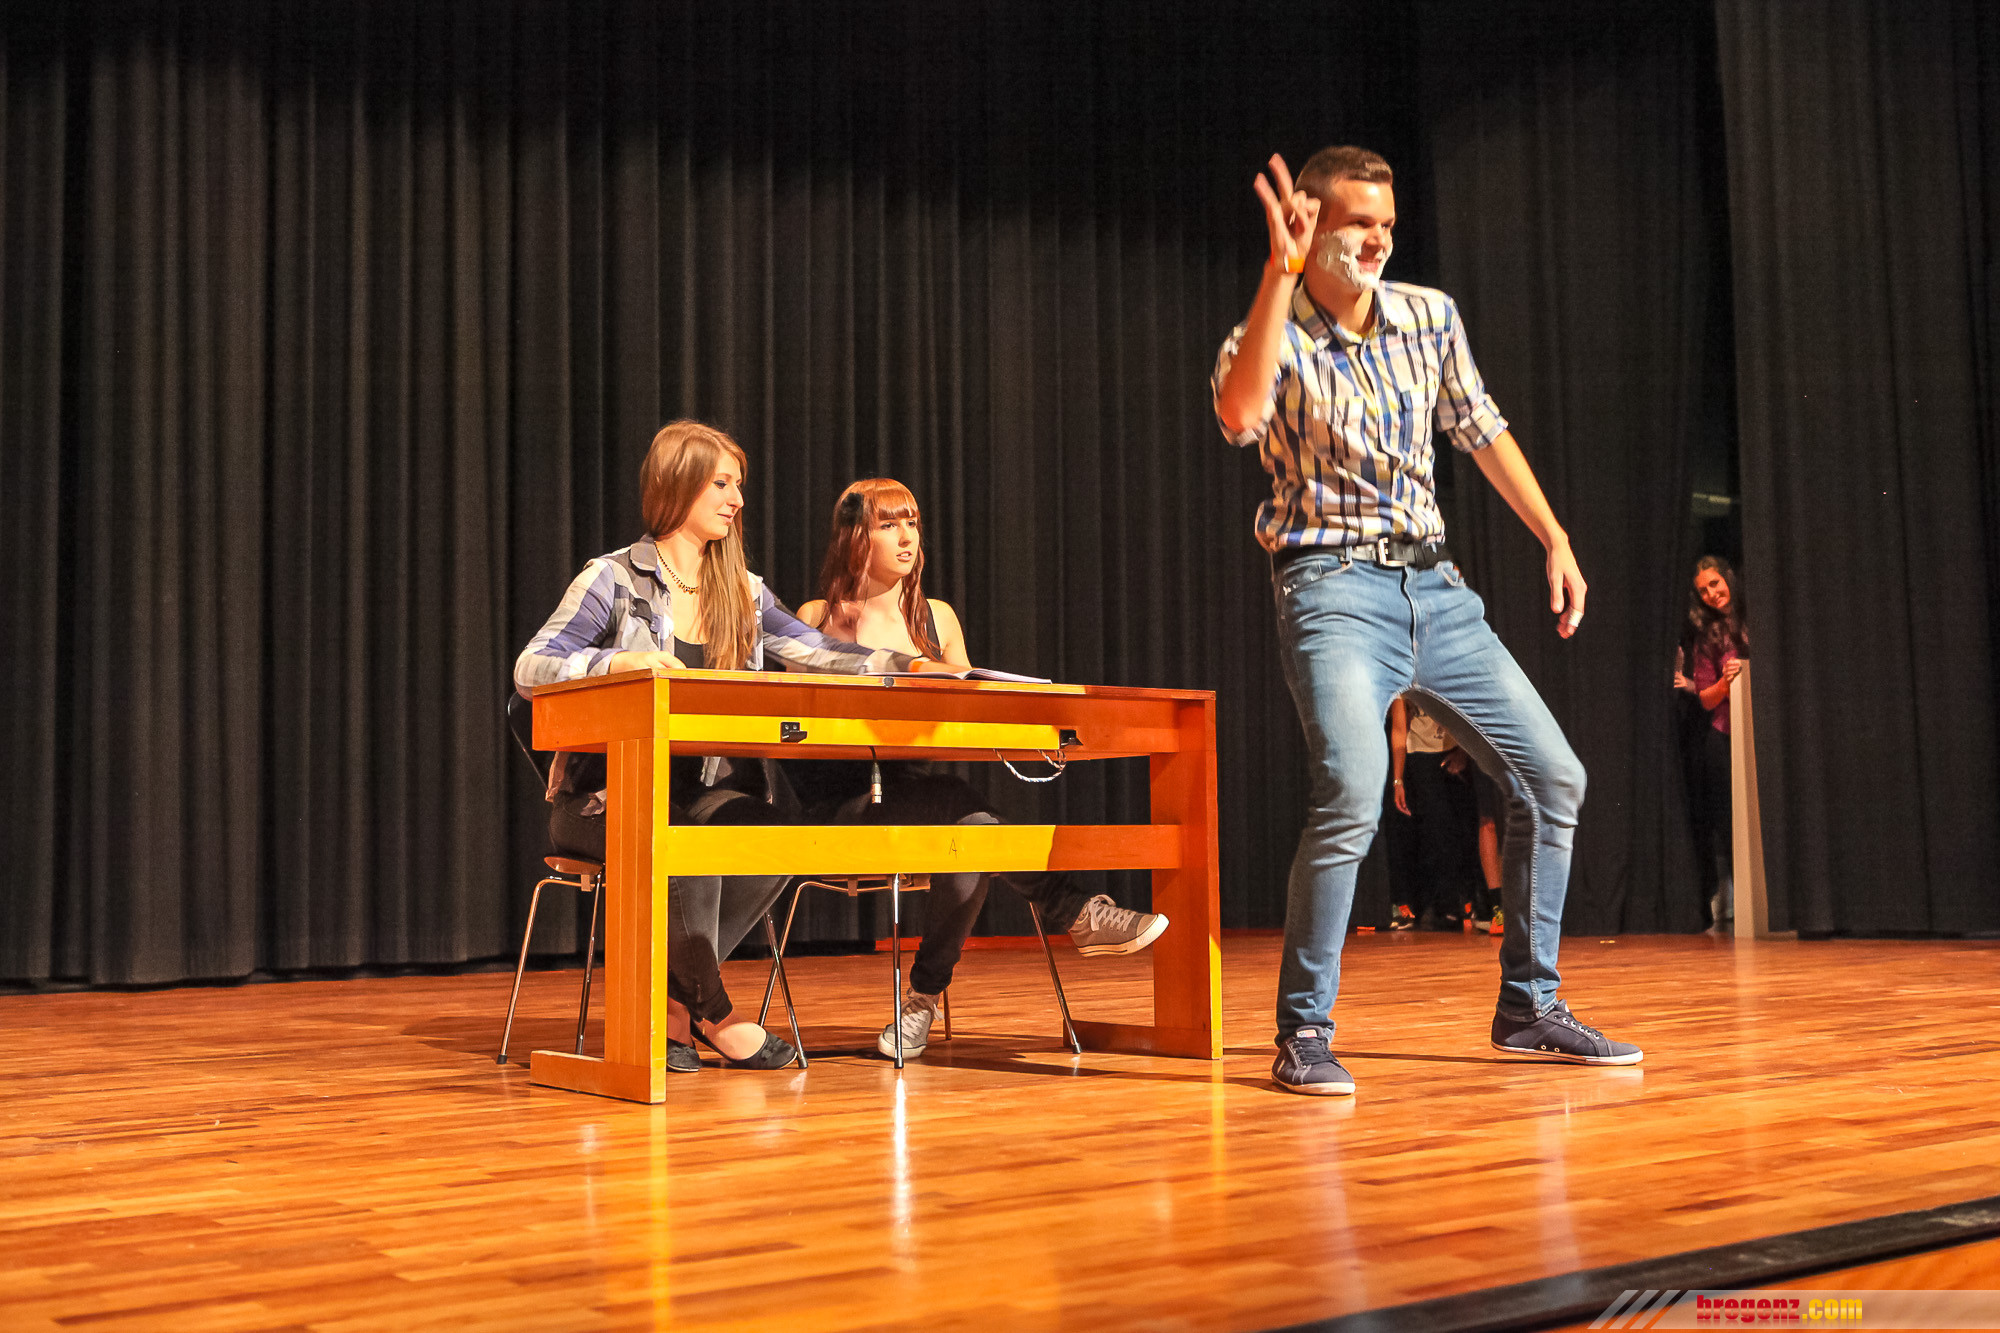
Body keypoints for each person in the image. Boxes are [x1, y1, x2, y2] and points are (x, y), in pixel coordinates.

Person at [1212, 145, 1642, 1095]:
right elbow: (1239, 417)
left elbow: (1481, 429)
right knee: (1352, 788)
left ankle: (1529, 1006)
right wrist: (1278, 273)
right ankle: (1304, 1029)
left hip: (1435, 589)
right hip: (1329, 585)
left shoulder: (1429, 315)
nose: (1378, 239)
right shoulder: (1271, 329)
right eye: (1359, 222)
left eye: (1388, 224)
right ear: (1313, 225)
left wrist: (1555, 535)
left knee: (1552, 777)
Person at [515, 422, 959, 1074]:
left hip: (704, 793)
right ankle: (717, 1015)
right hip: (604, 800)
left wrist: (910, 667)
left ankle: (670, 1009)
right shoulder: (612, 579)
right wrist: (615, 662)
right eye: (722, 483)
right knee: (687, 844)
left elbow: (819, 652)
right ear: (678, 485)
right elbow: (531, 667)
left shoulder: (743, 591)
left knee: (776, 836)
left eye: (738, 485)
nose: (737, 499)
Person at [792, 478, 1169, 1060]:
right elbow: (801, 724)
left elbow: (972, 711)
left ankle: (921, 997)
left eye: (912, 523)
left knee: (973, 834)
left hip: (919, 800)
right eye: (889, 525)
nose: (907, 537)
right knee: (955, 803)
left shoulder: (936, 619)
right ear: (855, 537)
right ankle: (1075, 911)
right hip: (841, 805)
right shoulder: (819, 616)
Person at [1673, 556, 1748, 931]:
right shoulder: (1709, 635)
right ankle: (1740, 904)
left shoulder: (1754, 616)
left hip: (1761, 731)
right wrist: (1725, 682)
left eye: (1715, 584)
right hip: (1725, 733)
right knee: (1731, 821)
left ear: (1729, 578)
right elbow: (1705, 697)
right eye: (1703, 590)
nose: (1711, 594)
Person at [1384, 692, 1486, 931]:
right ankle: (1440, 906)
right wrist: (1398, 781)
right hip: (1419, 757)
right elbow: (1399, 731)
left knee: (1460, 830)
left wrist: (1463, 753)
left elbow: (1468, 717)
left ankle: (1464, 902)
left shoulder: (1447, 679)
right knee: (1433, 832)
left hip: (1454, 750)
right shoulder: (1406, 688)